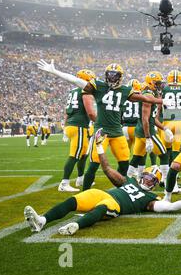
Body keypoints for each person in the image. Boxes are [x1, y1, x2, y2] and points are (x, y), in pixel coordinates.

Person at [24, 128, 181, 236]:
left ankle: (76, 227)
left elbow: (170, 207)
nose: (148, 181)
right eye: (147, 177)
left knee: (103, 206)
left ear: (155, 184)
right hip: (104, 195)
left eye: (152, 180)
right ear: (142, 176)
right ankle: (42, 220)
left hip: (115, 205)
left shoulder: (150, 198)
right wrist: (99, 147)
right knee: (73, 201)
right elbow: (107, 168)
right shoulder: (128, 181)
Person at [37, 59, 163, 190]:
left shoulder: (125, 90)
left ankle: (121, 190)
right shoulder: (98, 86)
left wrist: (162, 101)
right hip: (101, 132)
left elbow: (146, 98)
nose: (112, 78)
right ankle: (84, 193)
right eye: (110, 74)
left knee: (125, 163)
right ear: (106, 75)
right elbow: (75, 80)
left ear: (120, 77)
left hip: (117, 132)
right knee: (93, 164)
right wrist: (55, 71)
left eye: (115, 75)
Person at [59, 69, 97, 192]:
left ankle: (80, 179)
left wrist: (65, 127)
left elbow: (67, 112)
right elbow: (90, 112)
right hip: (78, 126)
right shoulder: (85, 91)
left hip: (72, 125)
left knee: (84, 154)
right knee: (75, 155)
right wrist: (99, 122)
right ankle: (64, 183)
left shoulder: (73, 91)